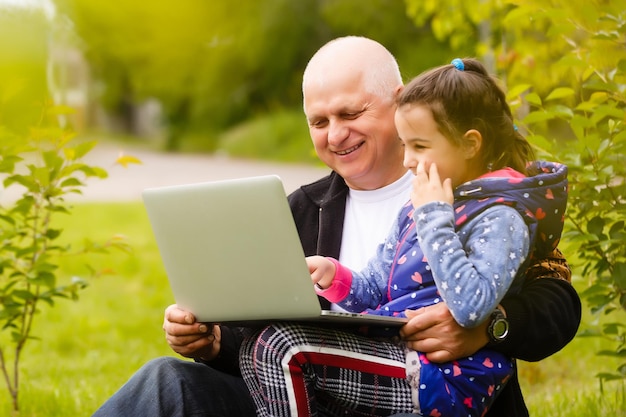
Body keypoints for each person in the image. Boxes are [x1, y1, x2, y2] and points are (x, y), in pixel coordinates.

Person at [92, 36, 581, 417]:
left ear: (399, 102)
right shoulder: (298, 212)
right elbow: (260, 339)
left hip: (432, 395)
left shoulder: (479, 200)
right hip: (315, 399)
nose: (336, 134)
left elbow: (558, 303)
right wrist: (214, 340)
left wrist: (486, 329)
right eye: (318, 121)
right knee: (166, 383)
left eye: (350, 113)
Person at [239, 57, 568, 416]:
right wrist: (335, 277)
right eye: (319, 122)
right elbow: (374, 287)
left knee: (281, 347)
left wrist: (435, 218)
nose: (409, 160)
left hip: (444, 376)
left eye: (419, 146)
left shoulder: (499, 215)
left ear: (471, 144)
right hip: (394, 356)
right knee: (259, 348)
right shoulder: (409, 207)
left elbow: (473, 306)